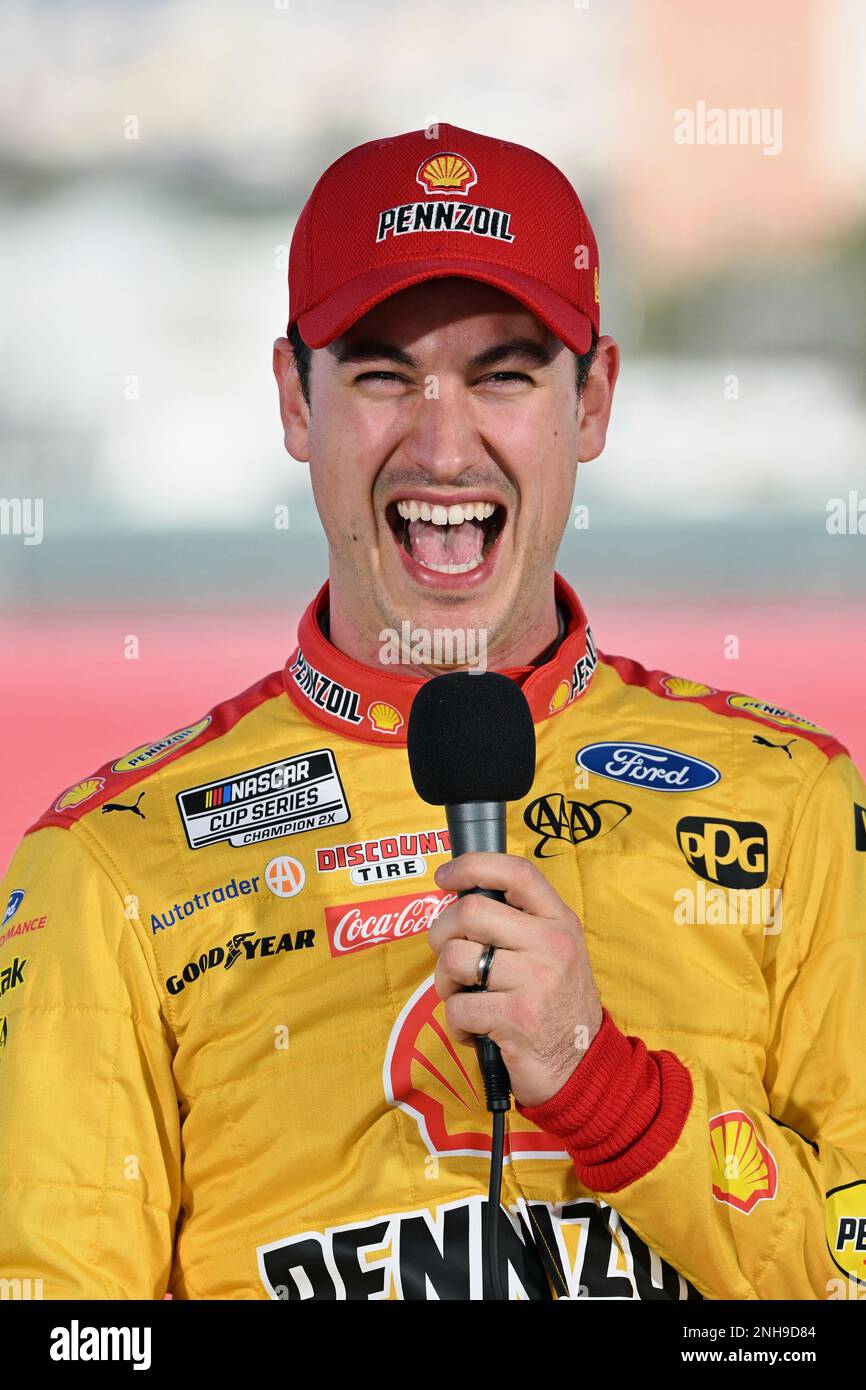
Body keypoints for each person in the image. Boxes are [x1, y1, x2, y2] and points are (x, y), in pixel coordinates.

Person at [0, 123, 863, 1302]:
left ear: (593, 399)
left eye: (504, 373)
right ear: (294, 403)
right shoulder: (103, 868)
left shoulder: (800, 805)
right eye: (380, 374)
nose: (444, 444)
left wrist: (591, 1076)